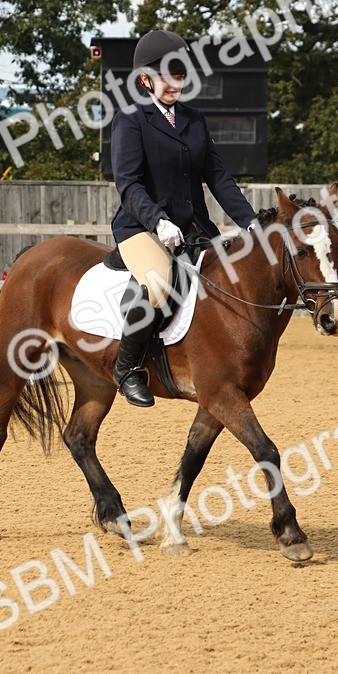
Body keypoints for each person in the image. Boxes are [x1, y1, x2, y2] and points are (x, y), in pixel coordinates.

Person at [110, 29, 258, 407]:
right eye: (167, 76)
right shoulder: (131, 119)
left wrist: (251, 221)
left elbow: (218, 179)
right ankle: (126, 368)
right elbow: (129, 184)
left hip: (193, 229)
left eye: (180, 75)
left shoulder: (194, 120)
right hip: (141, 227)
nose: (176, 83)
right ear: (145, 79)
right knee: (159, 283)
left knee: (229, 279)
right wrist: (158, 221)